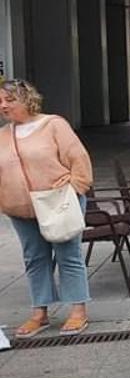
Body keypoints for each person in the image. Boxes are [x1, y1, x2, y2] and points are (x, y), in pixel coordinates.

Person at [0, 79, 93, 338]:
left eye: (9, 100)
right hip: (20, 208)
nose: (3, 106)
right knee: (34, 258)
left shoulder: (53, 125)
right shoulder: (4, 134)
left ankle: (77, 311)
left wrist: (76, 188)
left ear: (26, 100)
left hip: (58, 202)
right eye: (0, 101)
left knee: (68, 255)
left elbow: (78, 157)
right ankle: (39, 313)